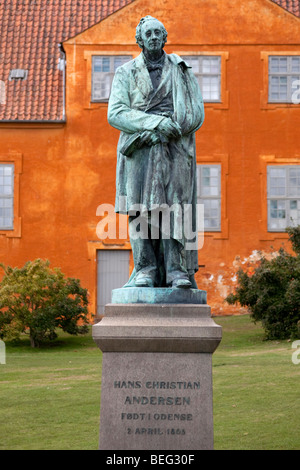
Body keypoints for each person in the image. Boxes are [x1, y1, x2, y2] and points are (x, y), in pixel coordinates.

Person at [108, 16, 204, 289]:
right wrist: (155, 122)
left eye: (157, 33)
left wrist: (172, 127)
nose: (152, 37)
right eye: (147, 33)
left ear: (164, 38)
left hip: (175, 147)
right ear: (139, 40)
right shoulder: (125, 73)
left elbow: (197, 111)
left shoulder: (182, 71)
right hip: (139, 149)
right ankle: (145, 270)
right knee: (139, 209)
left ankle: (177, 271)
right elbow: (116, 113)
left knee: (175, 208)